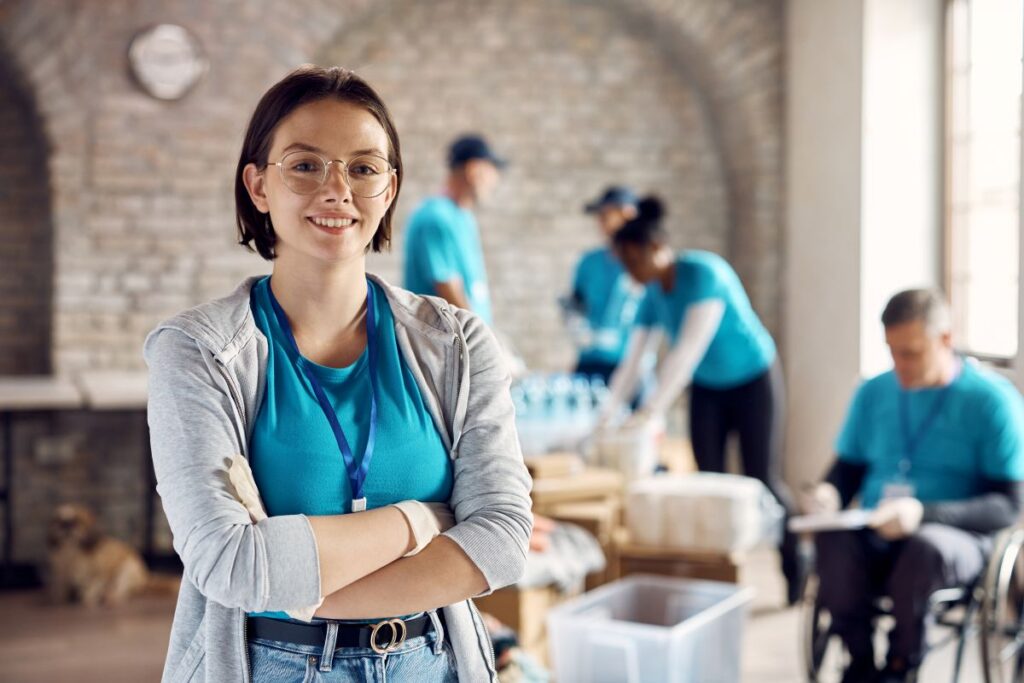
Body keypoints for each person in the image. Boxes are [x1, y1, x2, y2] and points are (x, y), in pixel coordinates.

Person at [144, 66, 532, 683]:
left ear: (390, 189)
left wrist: (309, 592)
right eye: (305, 165)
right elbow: (231, 564)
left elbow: (505, 538)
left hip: (431, 660)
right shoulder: (195, 351)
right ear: (258, 185)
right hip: (268, 664)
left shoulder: (456, 343)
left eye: (363, 167)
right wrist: (424, 519)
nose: (337, 190)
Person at [803, 289, 1024, 683]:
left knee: (925, 548)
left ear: (945, 340)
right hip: (876, 528)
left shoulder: (992, 403)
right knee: (831, 539)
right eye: (892, 352)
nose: (899, 365)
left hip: (954, 537)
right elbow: (846, 470)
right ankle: (859, 660)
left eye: (911, 353)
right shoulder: (874, 392)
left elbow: (1008, 505)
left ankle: (902, 665)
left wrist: (924, 513)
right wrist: (828, 493)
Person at [600, 196, 802, 603]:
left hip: (752, 380)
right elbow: (633, 361)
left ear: (655, 249)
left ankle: (796, 563)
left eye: (631, 262)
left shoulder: (706, 274)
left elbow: (686, 353)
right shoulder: (652, 294)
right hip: (709, 388)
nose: (629, 272)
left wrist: (648, 414)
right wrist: (604, 418)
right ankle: (716, 583)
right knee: (708, 480)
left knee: (762, 476)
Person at [403, 134, 504, 326]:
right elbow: (448, 290)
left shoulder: (463, 217)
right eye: (492, 170)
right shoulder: (435, 218)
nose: (494, 181)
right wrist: (481, 343)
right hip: (445, 349)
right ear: (473, 170)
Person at [564, 185, 645, 385]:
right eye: (599, 216)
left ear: (628, 215)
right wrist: (577, 327)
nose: (601, 221)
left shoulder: (644, 263)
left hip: (632, 363)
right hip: (591, 362)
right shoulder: (589, 262)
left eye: (607, 214)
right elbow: (575, 303)